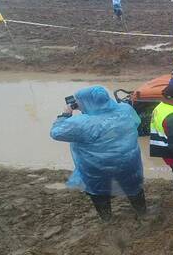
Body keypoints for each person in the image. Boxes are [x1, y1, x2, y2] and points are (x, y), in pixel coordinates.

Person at [50, 86, 146, 221]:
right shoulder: (126, 109)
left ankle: (107, 219)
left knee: (99, 193)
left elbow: (56, 133)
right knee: (133, 186)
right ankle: (142, 213)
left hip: (98, 168)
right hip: (129, 162)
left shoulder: (81, 123)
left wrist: (65, 115)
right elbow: (136, 122)